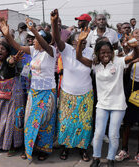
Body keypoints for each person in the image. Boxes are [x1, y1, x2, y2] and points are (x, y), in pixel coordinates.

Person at [0, 16, 57, 161]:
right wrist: (7, 35)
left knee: (45, 122)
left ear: (42, 41)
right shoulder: (33, 50)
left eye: (35, 39)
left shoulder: (51, 52)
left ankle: (43, 150)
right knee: (30, 121)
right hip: (34, 92)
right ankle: (29, 148)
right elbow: (17, 47)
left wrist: (34, 30)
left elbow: (45, 43)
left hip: (48, 92)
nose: (33, 41)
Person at [77, 33, 139, 167]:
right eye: (102, 52)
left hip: (118, 105)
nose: (106, 55)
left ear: (112, 52)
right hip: (102, 105)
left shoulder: (119, 61)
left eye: (108, 52)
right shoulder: (95, 65)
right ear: (97, 54)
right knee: (98, 134)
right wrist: (80, 41)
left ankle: (110, 159)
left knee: (113, 134)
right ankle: (96, 158)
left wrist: (137, 47)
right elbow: (79, 57)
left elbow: (134, 56)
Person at [51, 9, 94, 162]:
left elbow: (89, 64)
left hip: (86, 94)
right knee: (66, 122)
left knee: (84, 123)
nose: (80, 44)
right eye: (77, 41)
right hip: (67, 93)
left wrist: (81, 49)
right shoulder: (66, 50)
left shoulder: (90, 52)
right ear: (72, 42)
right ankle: (65, 147)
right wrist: (54, 22)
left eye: (83, 42)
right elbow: (56, 38)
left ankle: (83, 149)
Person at [115, 29, 139, 166]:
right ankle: (124, 150)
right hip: (131, 87)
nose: (138, 36)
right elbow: (123, 67)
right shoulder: (130, 53)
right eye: (136, 34)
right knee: (127, 122)